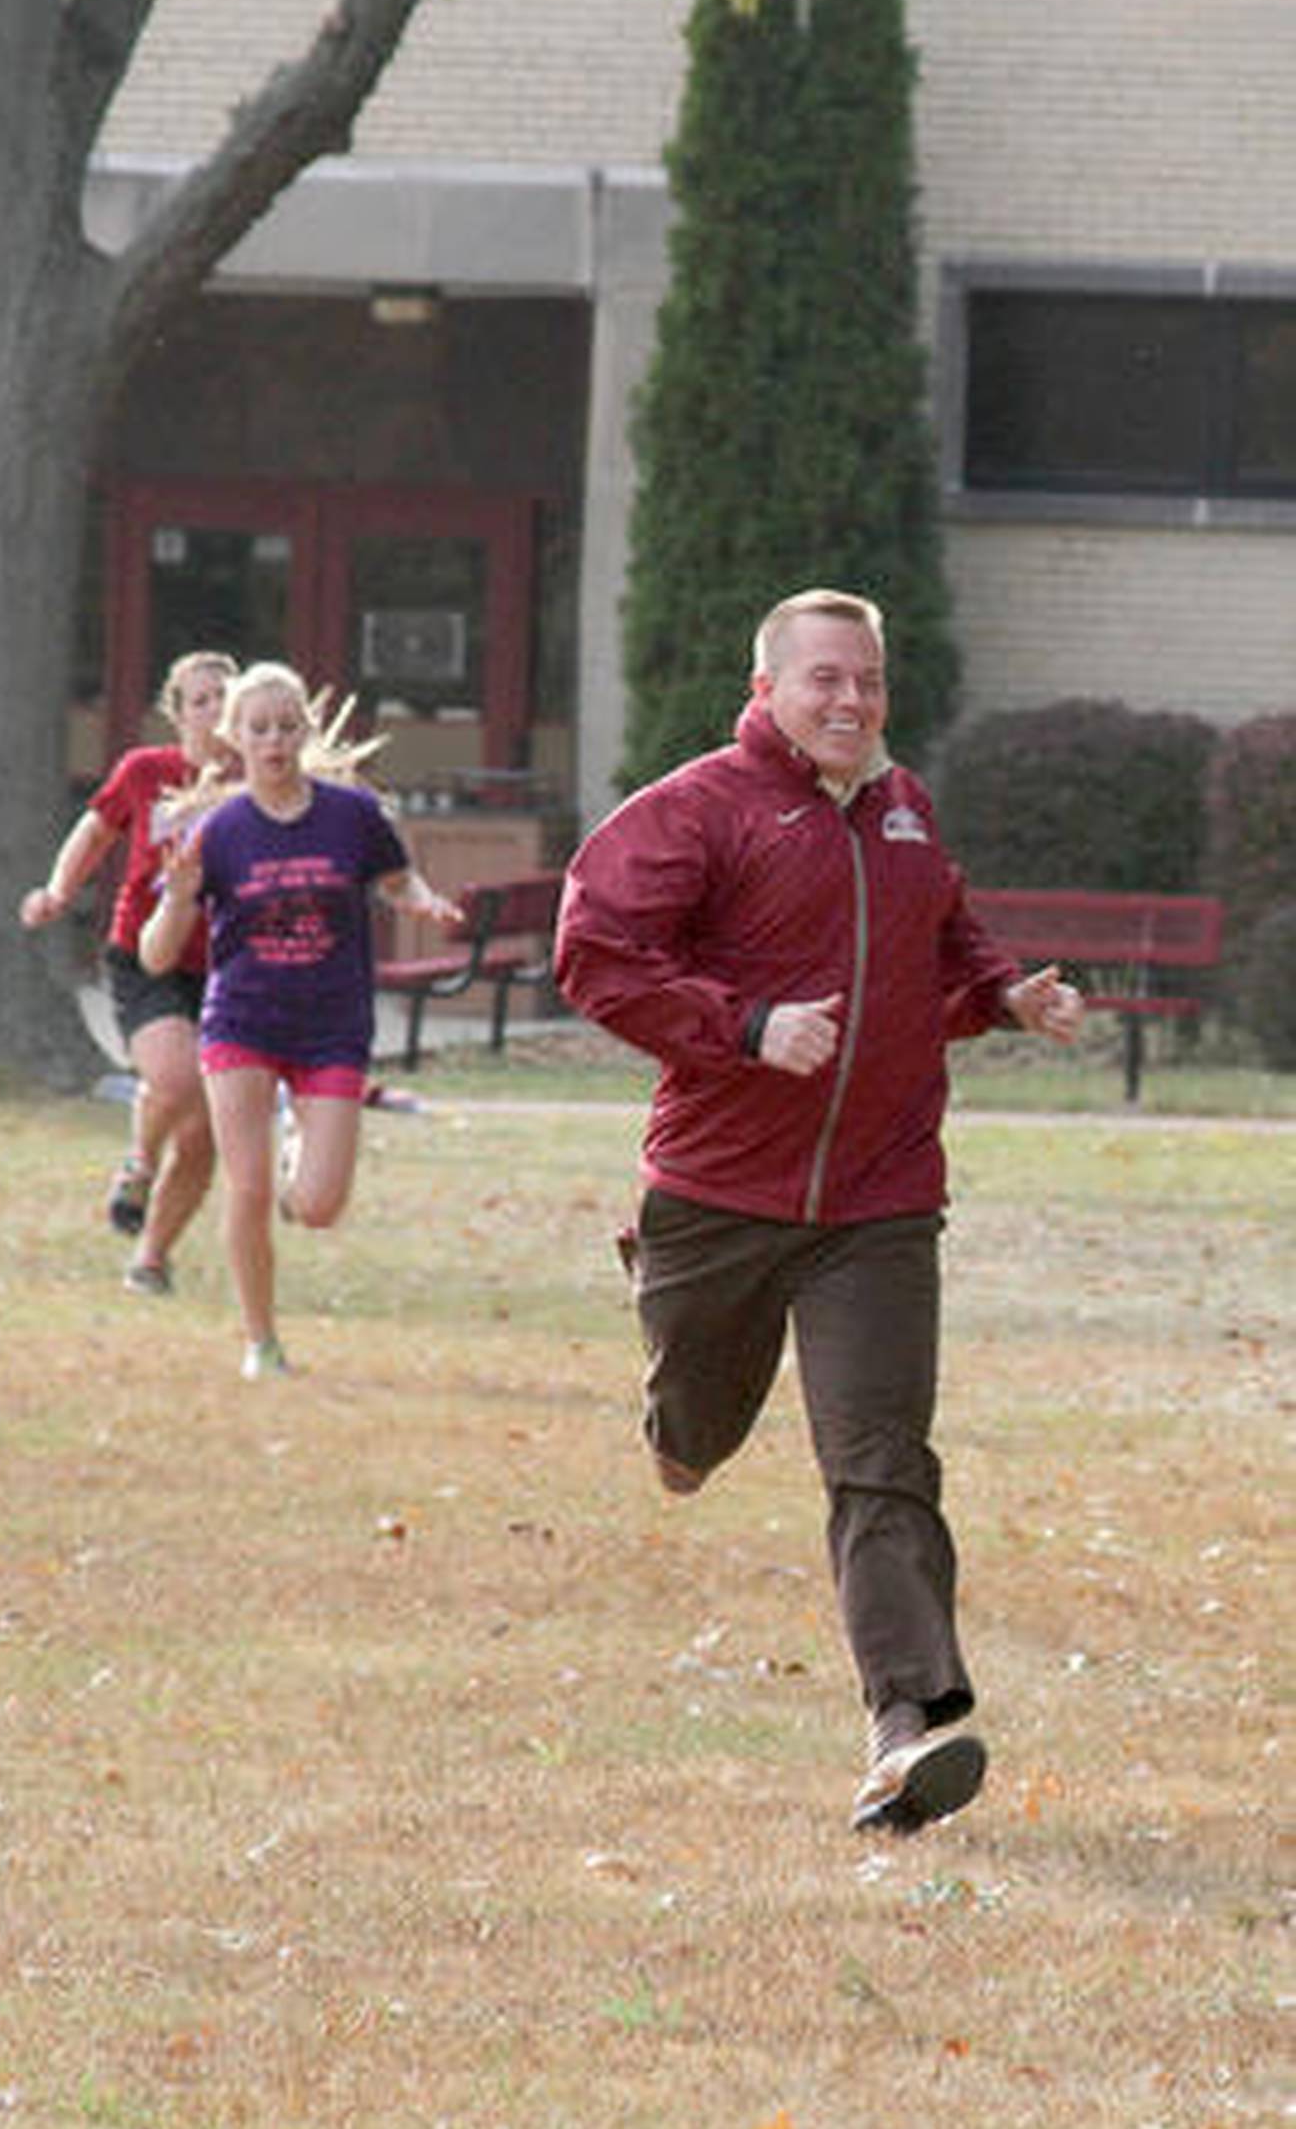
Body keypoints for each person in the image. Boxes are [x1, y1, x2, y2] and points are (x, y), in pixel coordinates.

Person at [554, 587, 1083, 1837]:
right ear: (769, 689)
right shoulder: (695, 811)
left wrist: (1005, 997)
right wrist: (742, 1026)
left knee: (882, 1463)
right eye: (825, 680)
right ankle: (671, 1366)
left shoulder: (904, 813)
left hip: (880, 1203)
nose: (851, 701)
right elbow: (595, 952)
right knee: (695, 1439)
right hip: (718, 1194)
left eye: (869, 681)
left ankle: (906, 1733)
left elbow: (940, 956)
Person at [139, 660, 462, 1381]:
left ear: (306, 732)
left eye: (287, 726)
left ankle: (299, 1151)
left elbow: (395, 874)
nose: (275, 741)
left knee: (317, 1205)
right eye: (259, 728)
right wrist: (179, 899)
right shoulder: (216, 831)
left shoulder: (350, 815)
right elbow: (157, 957)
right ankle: (262, 1343)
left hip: (332, 1025)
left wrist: (420, 899)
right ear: (235, 739)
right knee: (246, 1187)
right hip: (242, 1023)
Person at [20, 650, 238, 1294]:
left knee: (202, 1136)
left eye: (225, 697)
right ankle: (139, 1162)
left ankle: (150, 1257)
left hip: (230, 966)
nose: (215, 710)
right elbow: (93, 833)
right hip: (147, 955)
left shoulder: (256, 782)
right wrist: (59, 891)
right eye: (200, 699)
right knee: (173, 1076)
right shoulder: (147, 772)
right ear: (177, 714)